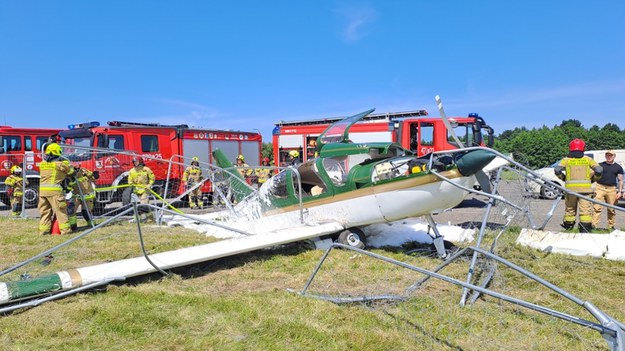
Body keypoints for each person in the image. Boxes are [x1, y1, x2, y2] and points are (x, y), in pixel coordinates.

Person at [554, 138, 602, 233]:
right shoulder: (588, 159)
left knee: (570, 210)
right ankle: (585, 230)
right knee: (585, 212)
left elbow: (557, 170)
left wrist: (563, 178)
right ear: (583, 148)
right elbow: (599, 170)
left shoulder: (566, 160)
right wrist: (592, 179)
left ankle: (568, 229)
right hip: (585, 191)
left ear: (570, 148)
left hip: (570, 191)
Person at [38, 143, 75, 235]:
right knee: (61, 211)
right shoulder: (60, 165)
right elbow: (71, 172)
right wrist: (67, 163)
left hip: (42, 192)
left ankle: (44, 231)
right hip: (55, 192)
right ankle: (65, 231)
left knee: (45, 212)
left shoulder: (42, 164)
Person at [592, 150, 624, 230]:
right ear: (605, 156)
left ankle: (611, 226)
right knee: (597, 207)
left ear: (614, 156)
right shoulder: (600, 165)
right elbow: (593, 175)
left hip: (612, 189)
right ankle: (593, 226)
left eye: (611, 155)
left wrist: (620, 192)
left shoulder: (618, 167)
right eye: (607, 155)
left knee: (611, 209)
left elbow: (620, 180)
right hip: (600, 187)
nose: (609, 157)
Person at [128, 156, 155, 221]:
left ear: (140, 162)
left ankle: (150, 219)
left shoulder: (146, 169)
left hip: (145, 190)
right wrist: (131, 183)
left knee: (143, 204)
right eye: (134, 162)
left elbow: (152, 178)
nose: (135, 163)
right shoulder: (132, 171)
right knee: (136, 205)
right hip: (136, 191)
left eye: (136, 162)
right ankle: (137, 220)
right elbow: (129, 180)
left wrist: (150, 184)